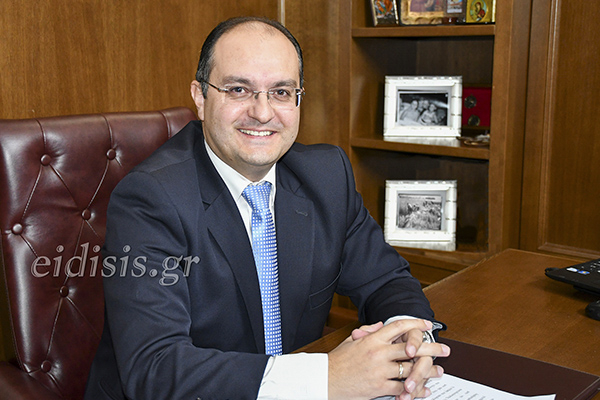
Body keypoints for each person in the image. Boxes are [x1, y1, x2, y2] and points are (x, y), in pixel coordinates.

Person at [84, 16, 450, 400]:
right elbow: (156, 368)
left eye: (281, 92)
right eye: (239, 90)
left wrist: (411, 337)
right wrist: (325, 377)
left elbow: (386, 280)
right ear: (200, 97)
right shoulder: (149, 199)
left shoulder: (326, 176)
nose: (262, 113)